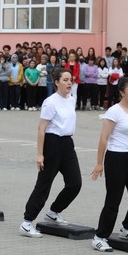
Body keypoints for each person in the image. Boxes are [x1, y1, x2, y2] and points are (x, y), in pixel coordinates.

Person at [19, 69, 81, 238]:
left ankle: (53, 212)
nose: (69, 83)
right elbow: (41, 128)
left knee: (75, 183)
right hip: (52, 144)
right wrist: (40, 154)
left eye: (71, 80)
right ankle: (26, 222)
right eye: (66, 80)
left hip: (67, 144)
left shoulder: (71, 100)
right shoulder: (50, 102)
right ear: (57, 82)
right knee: (44, 184)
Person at [90, 77, 128, 252]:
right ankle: (100, 237)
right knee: (113, 200)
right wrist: (99, 163)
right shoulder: (114, 111)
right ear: (122, 92)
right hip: (116, 158)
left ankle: (127, 228)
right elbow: (103, 138)